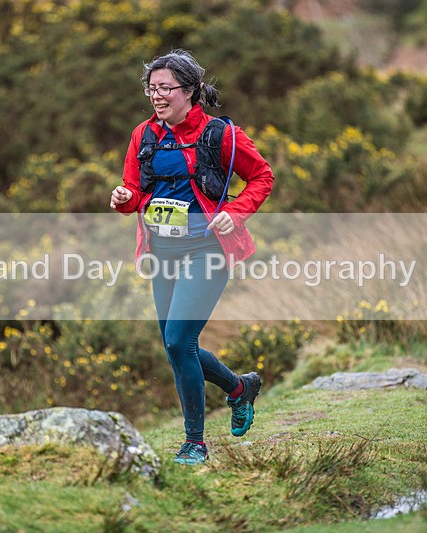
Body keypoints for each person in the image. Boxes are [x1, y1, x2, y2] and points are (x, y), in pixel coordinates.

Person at [110, 50, 274, 465]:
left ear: (191, 91)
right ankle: (239, 388)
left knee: (178, 340)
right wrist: (124, 198)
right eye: (152, 88)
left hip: (207, 250)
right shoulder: (142, 135)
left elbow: (262, 177)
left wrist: (233, 214)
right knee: (175, 347)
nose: (157, 96)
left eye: (166, 88)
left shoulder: (221, 134)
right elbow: (133, 194)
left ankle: (195, 442)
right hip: (160, 251)